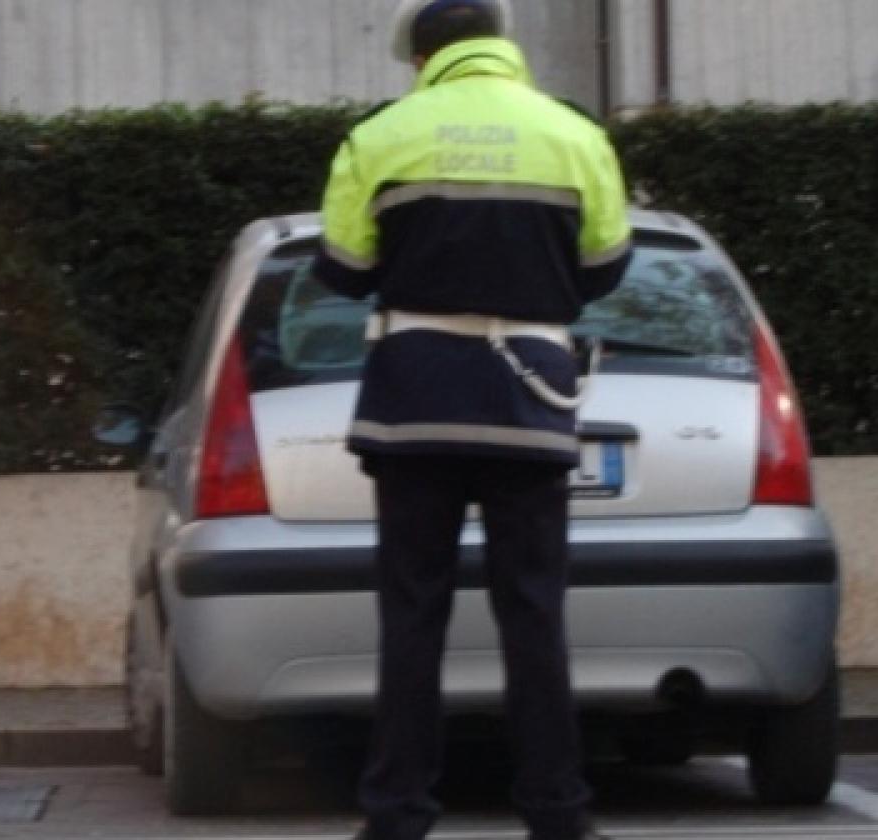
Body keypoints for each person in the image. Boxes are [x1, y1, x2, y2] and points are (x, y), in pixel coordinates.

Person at [312, 2, 634, 838]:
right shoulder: (573, 133)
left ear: (422, 58)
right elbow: (605, 266)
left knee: (413, 612)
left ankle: (398, 813)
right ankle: (558, 813)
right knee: (534, 611)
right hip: (530, 394)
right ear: (501, 45)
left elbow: (343, 270)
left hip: (415, 398)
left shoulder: (382, 134)